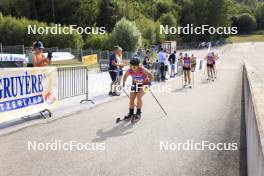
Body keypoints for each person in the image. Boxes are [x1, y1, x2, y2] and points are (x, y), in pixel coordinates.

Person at [122, 57, 154, 122]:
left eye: (135, 66)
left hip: (145, 84)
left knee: (139, 96)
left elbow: (151, 76)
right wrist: (123, 83)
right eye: (132, 66)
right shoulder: (130, 70)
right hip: (136, 84)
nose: (134, 68)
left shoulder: (142, 69)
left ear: (138, 65)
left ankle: (138, 113)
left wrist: (149, 83)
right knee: (131, 98)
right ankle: (131, 113)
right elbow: (125, 76)